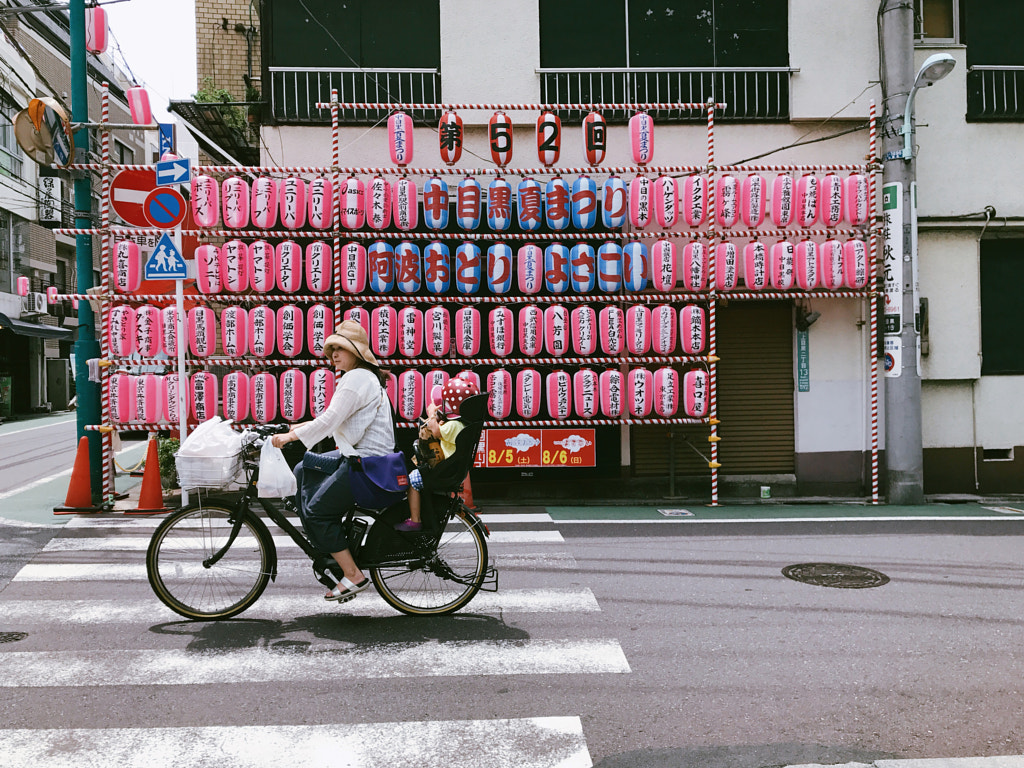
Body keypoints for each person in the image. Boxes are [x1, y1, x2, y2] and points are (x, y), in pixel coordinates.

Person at [271, 320, 395, 602]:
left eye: (341, 348)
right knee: (305, 468)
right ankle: (329, 542)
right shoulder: (361, 377)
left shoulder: (357, 378)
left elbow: (329, 421)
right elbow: (332, 419)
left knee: (316, 511)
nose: (334, 354)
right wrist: (294, 428)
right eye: (332, 349)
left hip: (365, 464)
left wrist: (290, 438)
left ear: (357, 352)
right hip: (357, 455)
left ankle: (352, 574)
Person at [396, 376, 478, 532]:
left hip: (444, 470)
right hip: (449, 468)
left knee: (411, 482)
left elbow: (435, 430)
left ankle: (415, 520)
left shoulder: (453, 425)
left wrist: (433, 412)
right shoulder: (461, 424)